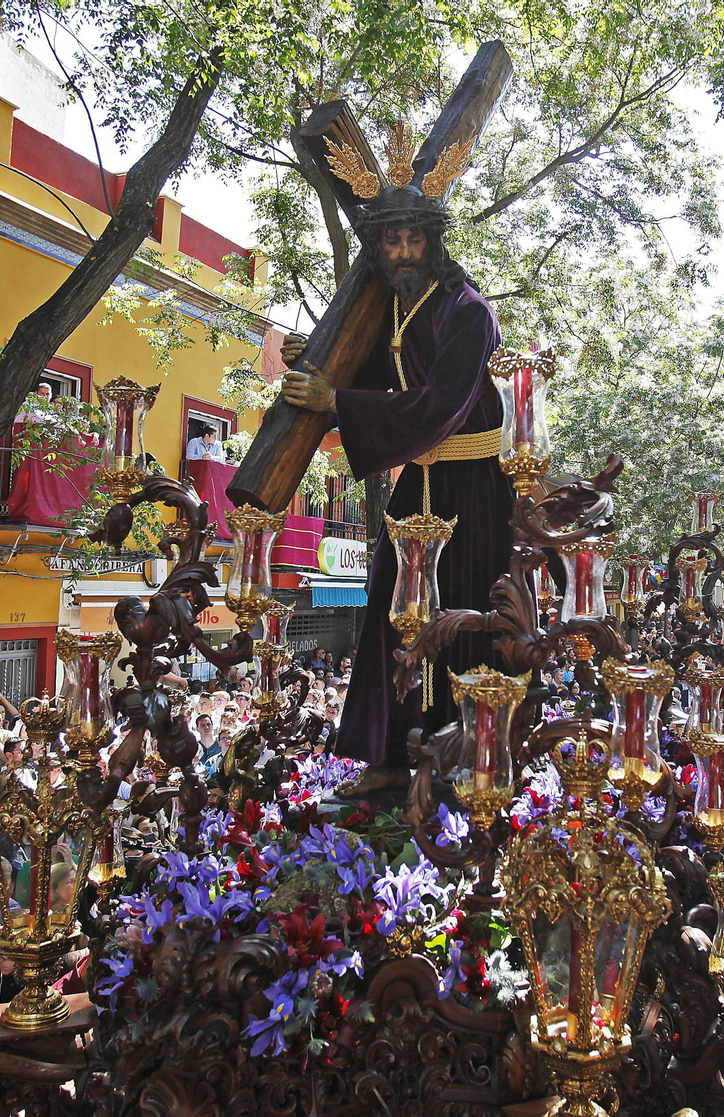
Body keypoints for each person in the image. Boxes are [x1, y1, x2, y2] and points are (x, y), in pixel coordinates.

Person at [277, 160, 512, 799]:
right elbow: (377, 375)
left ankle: (470, 759)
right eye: (391, 241)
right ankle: (385, 756)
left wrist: (338, 404)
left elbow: (440, 407)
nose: (403, 252)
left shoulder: (468, 312)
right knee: (387, 609)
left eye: (412, 240)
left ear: (433, 242)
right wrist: (324, 368)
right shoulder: (402, 311)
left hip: (473, 489)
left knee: (465, 617)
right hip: (419, 485)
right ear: (379, 248)